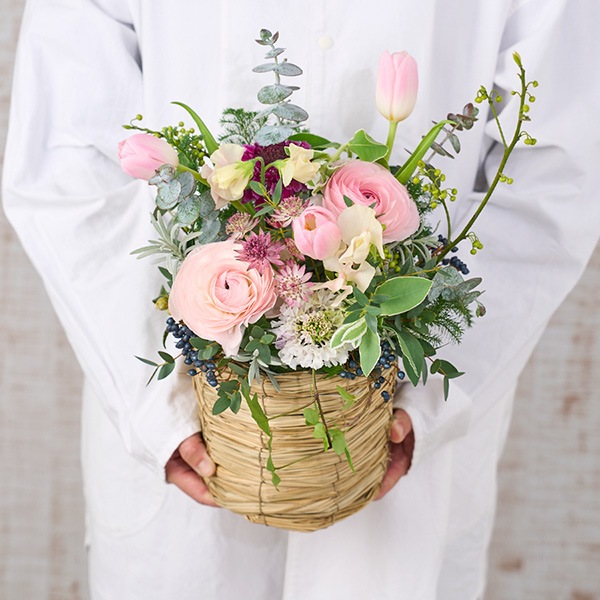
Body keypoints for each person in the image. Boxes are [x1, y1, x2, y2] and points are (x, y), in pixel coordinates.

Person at [3, 1, 599, 598]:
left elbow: (557, 172)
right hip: (184, 447)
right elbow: (66, 156)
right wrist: (159, 407)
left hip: (398, 444)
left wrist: (424, 402)